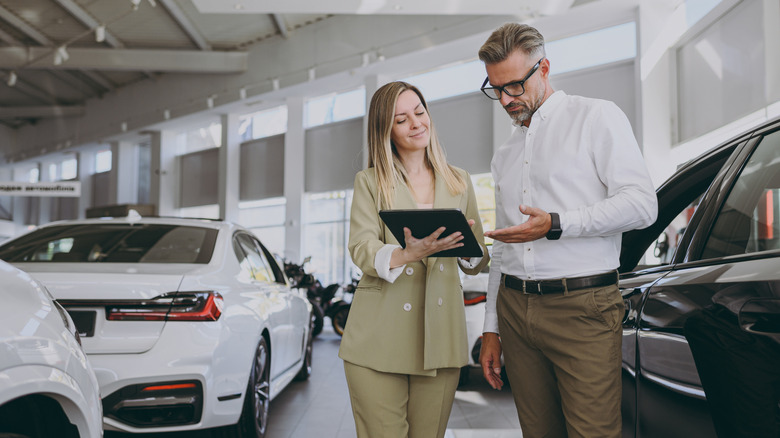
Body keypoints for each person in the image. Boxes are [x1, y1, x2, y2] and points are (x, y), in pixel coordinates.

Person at [476, 23, 658, 438]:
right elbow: (504, 248)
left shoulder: (597, 117)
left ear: (544, 68)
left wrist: (557, 224)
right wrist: (491, 327)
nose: (506, 99)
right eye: (496, 88)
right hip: (515, 311)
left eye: (515, 86)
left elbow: (642, 205)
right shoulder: (505, 154)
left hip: (583, 307)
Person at [339, 81, 490, 438]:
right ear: (385, 130)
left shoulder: (459, 182)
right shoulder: (371, 181)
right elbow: (360, 245)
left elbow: (477, 256)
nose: (416, 123)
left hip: (440, 336)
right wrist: (405, 255)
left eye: (420, 112)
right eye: (402, 119)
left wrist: (468, 248)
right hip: (376, 337)